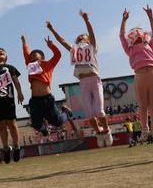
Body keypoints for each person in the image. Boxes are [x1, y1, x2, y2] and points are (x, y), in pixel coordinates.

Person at [46, 11, 113, 147]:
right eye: (79, 37)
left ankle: (106, 130)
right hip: (83, 82)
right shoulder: (74, 50)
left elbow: (92, 34)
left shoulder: (92, 47)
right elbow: (63, 41)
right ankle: (98, 132)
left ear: (87, 40)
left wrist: (87, 20)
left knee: (99, 111)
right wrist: (52, 30)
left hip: (94, 80)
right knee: (89, 114)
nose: (82, 37)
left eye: (84, 36)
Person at [119, 6, 153, 143]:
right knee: (143, 106)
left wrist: (150, 16)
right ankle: (144, 131)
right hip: (139, 75)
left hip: (151, 73)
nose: (136, 34)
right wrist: (124, 20)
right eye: (133, 33)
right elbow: (121, 36)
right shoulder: (129, 49)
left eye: (138, 32)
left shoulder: (149, 45)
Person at [21, 32, 65, 136]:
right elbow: (26, 53)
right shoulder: (30, 65)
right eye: (31, 59)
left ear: (42, 59)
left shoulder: (48, 65)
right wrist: (24, 42)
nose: (32, 61)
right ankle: (44, 129)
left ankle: (65, 112)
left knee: (57, 122)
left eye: (35, 59)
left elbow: (58, 55)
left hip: (47, 98)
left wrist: (51, 46)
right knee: (36, 124)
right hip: (35, 100)